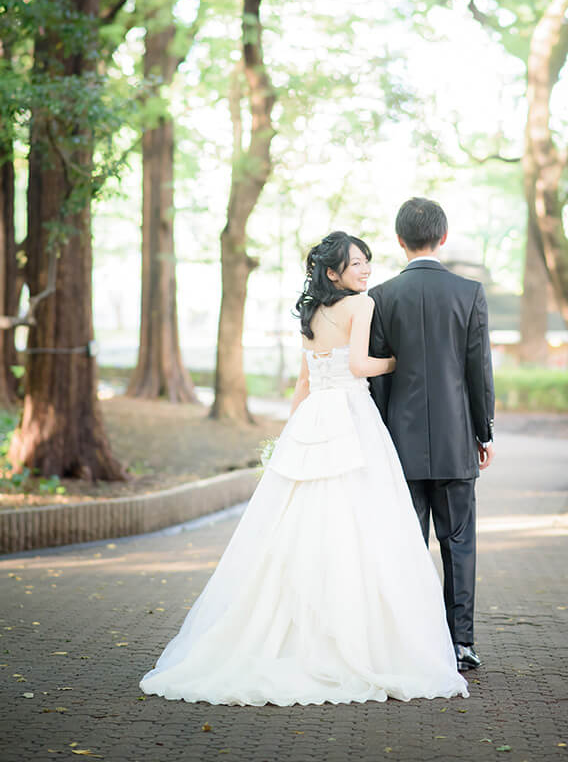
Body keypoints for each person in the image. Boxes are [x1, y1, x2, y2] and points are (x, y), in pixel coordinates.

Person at [140, 231, 468, 707]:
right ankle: (354, 640)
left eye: (367, 262)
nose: (365, 270)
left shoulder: (311, 312)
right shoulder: (363, 306)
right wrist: (397, 360)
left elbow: (304, 381)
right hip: (352, 420)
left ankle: (296, 632)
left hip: (315, 417)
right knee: (361, 522)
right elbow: (358, 365)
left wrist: (289, 437)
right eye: (355, 264)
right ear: (333, 271)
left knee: (301, 524)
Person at [368, 198, 495, 673]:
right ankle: (462, 644)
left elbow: (377, 379)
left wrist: (379, 439)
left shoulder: (380, 296)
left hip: (398, 445)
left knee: (406, 544)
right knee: (459, 544)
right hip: (456, 441)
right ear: (443, 238)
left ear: (399, 241)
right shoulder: (469, 293)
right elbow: (477, 372)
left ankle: (410, 643)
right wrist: (483, 433)